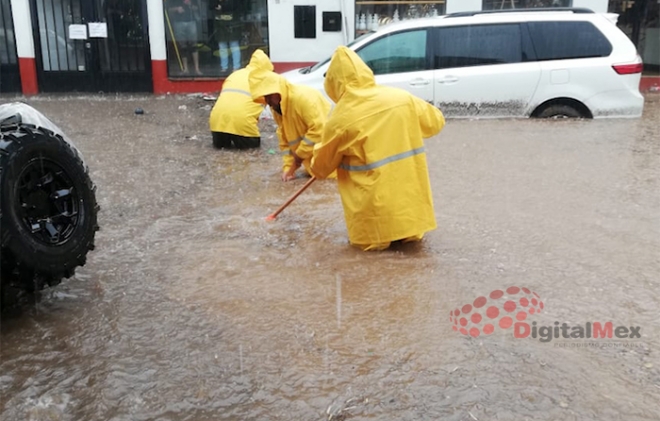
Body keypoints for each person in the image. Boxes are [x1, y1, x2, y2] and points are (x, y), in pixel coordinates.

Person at [310, 46, 446, 251]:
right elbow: (436, 122)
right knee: (415, 276)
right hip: (410, 216)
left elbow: (320, 169)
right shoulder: (402, 99)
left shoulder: (340, 119)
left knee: (369, 272)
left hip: (373, 223)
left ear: (333, 83)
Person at [249, 64, 336, 182]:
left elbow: (319, 131)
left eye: (270, 96)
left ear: (278, 91)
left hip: (333, 161)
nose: (268, 101)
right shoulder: (277, 107)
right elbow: (285, 140)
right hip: (314, 164)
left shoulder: (302, 99)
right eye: (265, 97)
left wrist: (299, 156)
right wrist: (288, 168)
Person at [209, 49, 273, 149]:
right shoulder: (264, 79)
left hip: (217, 123)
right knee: (252, 154)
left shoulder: (235, 74)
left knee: (222, 153)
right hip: (242, 123)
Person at [167, 0, 202, 75]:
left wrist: (190, 5)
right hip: (178, 23)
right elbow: (168, 10)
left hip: (191, 22)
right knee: (183, 46)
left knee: (194, 45)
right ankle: (185, 69)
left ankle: (197, 68)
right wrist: (176, 9)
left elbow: (197, 8)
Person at [212, 0, 242, 73]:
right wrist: (216, 6)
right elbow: (211, 5)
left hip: (232, 23)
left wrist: (222, 7)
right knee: (222, 46)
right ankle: (224, 67)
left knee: (234, 45)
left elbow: (236, 5)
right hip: (220, 25)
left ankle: (236, 66)